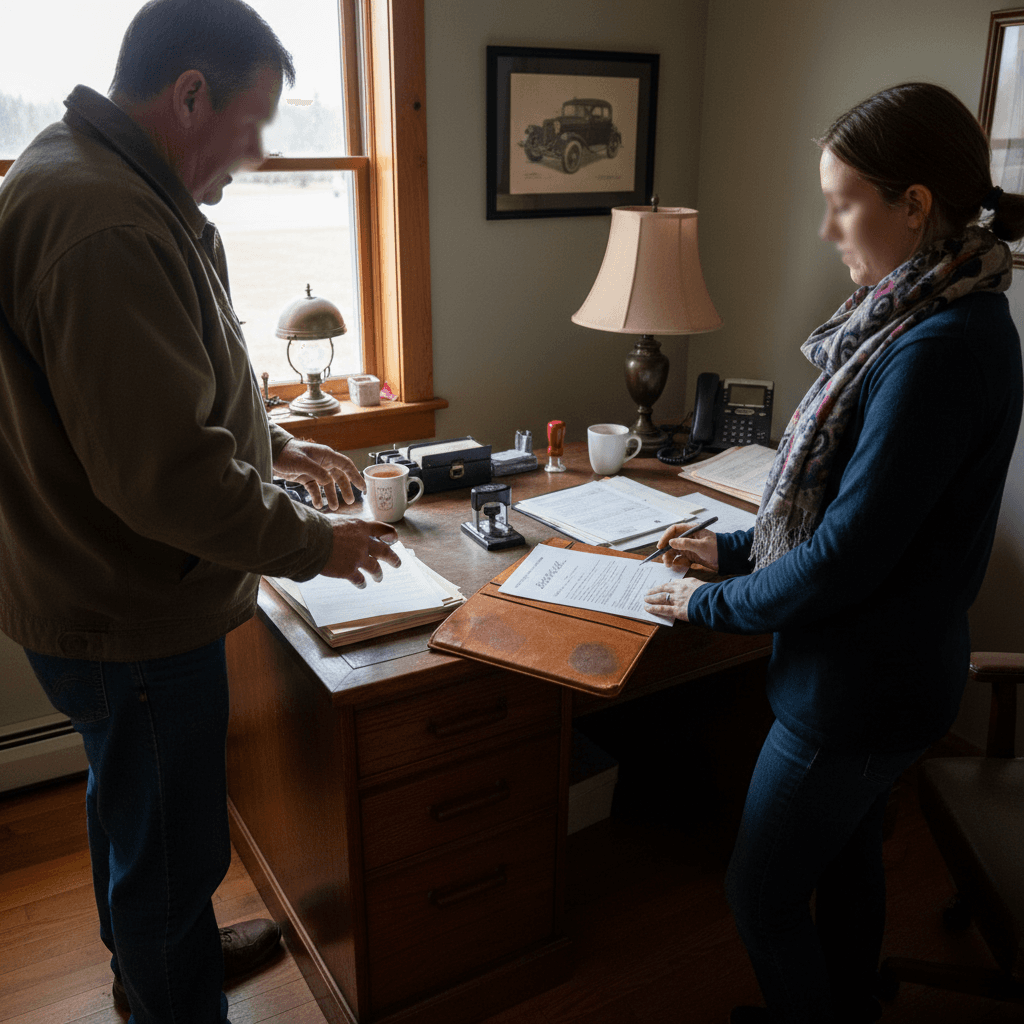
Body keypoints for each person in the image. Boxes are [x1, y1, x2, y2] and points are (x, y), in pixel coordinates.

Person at [0, 2, 401, 1021]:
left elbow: (155, 387)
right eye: (256, 123)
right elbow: (163, 474)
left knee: (134, 811)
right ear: (190, 94)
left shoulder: (105, 181)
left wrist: (273, 441)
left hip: (104, 592)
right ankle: (170, 990)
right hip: (129, 608)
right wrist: (315, 541)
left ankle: (158, 953)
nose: (260, 154)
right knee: (169, 835)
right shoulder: (105, 224)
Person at [644, 82, 1024, 1024]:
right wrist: (729, 550)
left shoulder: (937, 347)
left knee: (759, 896)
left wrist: (707, 607)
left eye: (842, 202)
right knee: (848, 857)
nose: (826, 230)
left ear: (914, 206)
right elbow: (847, 516)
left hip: (857, 695)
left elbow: (849, 554)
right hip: (895, 675)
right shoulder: (931, 315)